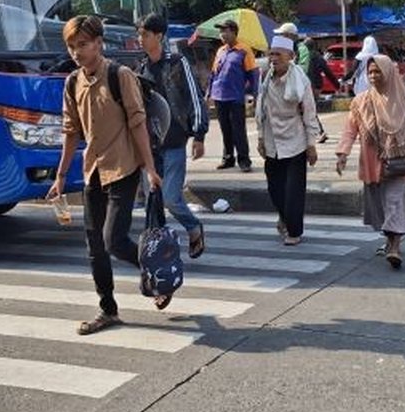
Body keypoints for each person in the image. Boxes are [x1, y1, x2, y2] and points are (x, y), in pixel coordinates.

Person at [47, 15, 165, 335]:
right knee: (94, 247)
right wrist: (59, 177)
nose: (77, 52)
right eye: (72, 46)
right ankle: (107, 309)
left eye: (82, 45)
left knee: (113, 239)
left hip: (123, 168)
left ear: (99, 43)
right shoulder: (73, 82)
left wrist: (150, 168)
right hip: (93, 172)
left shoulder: (120, 75)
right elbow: (71, 131)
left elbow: (137, 123)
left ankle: (155, 272)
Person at [335, 54, 405, 269]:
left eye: (378, 71)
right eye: (371, 72)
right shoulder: (360, 102)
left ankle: (394, 246)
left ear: (389, 73)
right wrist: (342, 154)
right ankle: (389, 240)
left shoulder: (404, 101)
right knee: (380, 207)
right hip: (371, 164)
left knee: (394, 201)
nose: (374, 76)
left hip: (399, 163)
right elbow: (350, 130)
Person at [136, 14, 210, 257]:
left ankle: (193, 226)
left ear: (159, 36)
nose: (141, 39)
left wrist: (199, 135)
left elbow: (195, 98)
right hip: (150, 146)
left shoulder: (177, 63)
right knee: (153, 200)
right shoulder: (141, 69)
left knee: (170, 197)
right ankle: (160, 248)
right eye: (139, 34)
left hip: (175, 142)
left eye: (145, 34)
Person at [255, 35, 321, 246]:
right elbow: (261, 109)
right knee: (275, 189)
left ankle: (294, 230)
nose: (273, 58)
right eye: (271, 54)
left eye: (278, 54)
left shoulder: (300, 79)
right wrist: (260, 138)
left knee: (293, 190)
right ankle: (284, 216)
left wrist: (311, 145)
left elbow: (309, 112)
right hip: (272, 141)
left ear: (291, 56)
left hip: (296, 141)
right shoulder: (265, 77)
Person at [208, 18, 260, 173]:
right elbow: (213, 74)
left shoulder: (244, 50)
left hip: (236, 96)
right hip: (219, 95)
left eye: (225, 30)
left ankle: (244, 160)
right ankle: (228, 158)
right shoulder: (220, 51)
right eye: (221, 31)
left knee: (238, 129)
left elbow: (253, 74)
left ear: (233, 32)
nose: (222, 34)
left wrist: (254, 94)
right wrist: (208, 93)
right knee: (225, 129)